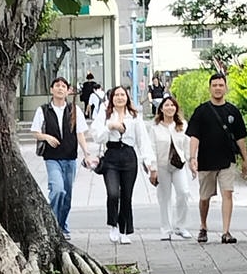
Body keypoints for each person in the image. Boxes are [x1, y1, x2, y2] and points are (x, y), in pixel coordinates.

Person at [186, 67, 247, 243]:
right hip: (206, 160)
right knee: (204, 197)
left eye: (221, 85)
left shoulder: (233, 111)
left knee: (227, 193)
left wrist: (245, 159)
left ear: (226, 88)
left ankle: (226, 231)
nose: (218, 88)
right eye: (214, 85)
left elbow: (240, 138)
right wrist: (192, 158)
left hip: (227, 159)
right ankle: (203, 226)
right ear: (210, 88)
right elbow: (194, 136)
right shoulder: (201, 111)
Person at [86, 83, 154, 240]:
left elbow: (142, 140)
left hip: (129, 156)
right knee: (113, 193)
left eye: (122, 95)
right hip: (111, 156)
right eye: (116, 95)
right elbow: (96, 136)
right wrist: (110, 126)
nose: (119, 98)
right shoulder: (105, 114)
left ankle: (124, 230)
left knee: (126, 196)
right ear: (111, 98)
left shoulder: (134, 116)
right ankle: (113, 225)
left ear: (127, 97)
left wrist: (148, 161)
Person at [30, 75, 88, 235]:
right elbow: (35, 132)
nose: (60, 88)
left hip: (70, 158)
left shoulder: (74, 110)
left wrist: (86, 153)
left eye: (63, 86)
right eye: (57, 85)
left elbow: (80, 133)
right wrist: (46, 137)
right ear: (51, 90)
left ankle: (62, 227)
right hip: (52, 158)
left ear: (68, 91)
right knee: (57, 190)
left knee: (67, 196)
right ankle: (54, 227)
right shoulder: (43, 110)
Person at [151, 94, 192, 240]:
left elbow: (187, 145)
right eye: (167, 105)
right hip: (162, 166)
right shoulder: (155, 128)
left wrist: (192, 162)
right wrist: (153, 168)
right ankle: (166, 229)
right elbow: (152, 148)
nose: (170, 108)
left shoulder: (182, 125)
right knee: (164, 197)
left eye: (172, 105)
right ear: (161, 109)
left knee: (184, 192)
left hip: (178, 165)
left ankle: (181, 226)